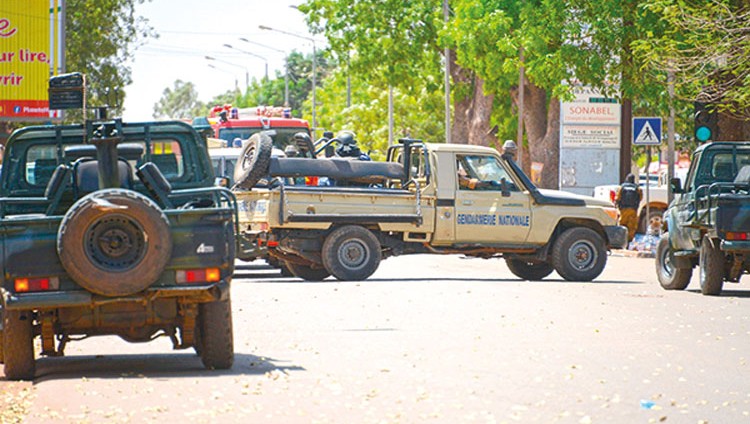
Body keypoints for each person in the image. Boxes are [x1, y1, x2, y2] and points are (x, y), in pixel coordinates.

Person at [615, 173, 642, 242]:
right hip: (633, 209)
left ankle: (620, 239)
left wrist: (617, 206)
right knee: (631, 226)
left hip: (623, 209)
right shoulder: (637, 188)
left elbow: (617, 197)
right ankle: (629, 241)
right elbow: (640, 197)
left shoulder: (622, 187)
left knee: (622, 224)